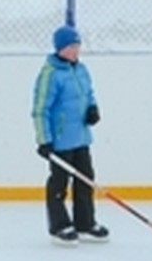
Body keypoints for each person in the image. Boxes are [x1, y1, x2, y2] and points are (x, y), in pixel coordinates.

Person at [31, 23, 107, 247]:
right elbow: (40, 109)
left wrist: (93, 109)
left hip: (81, 137)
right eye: (71, 47)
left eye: (77, 46)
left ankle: (85, 223)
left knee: (85, 179)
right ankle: (60, 226)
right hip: (61, 141)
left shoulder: (81, 70)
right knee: (59, 184)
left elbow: (88, 93)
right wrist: (43, 140)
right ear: (60, 48)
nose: (75, 51)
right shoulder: (50, 74)